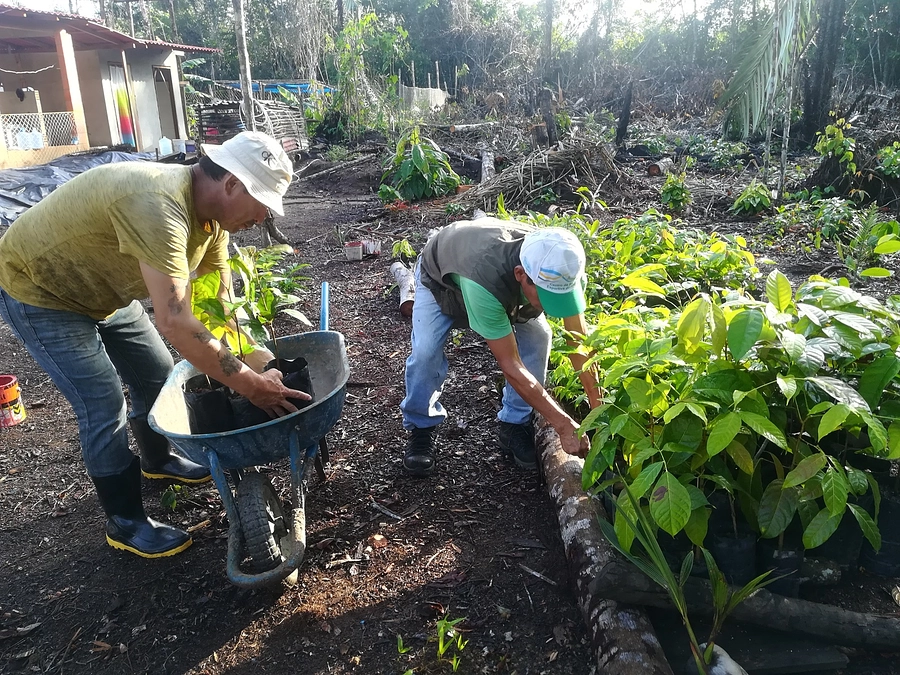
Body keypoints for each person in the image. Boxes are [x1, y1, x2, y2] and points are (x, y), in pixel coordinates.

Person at [0, 131, 309, 558]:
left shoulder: (213, 224)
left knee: (157, 375)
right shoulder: (159, 206)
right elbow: (178, 322)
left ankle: (157, 461)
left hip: (104, 290)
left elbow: (216, 311)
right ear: (233, 185)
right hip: (40, 289)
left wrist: (267, 361)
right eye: (262, 204)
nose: (262, 219)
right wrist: (252, 386)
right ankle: (125, 521)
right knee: (103, 402)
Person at [400, 215, 603, 476]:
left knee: (539, 338)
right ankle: (421, 427)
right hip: (441, 276)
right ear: (521, 275)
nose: (555, 305)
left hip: (492, 280)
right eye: (548, 297)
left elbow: (581, 347)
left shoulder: (558, 263)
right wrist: (563, 425)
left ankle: (514, 424)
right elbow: (511, 364)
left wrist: (600, 412)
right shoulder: (485, 279)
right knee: (426, 352)